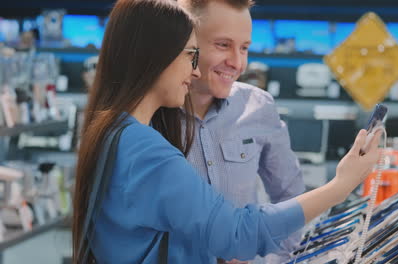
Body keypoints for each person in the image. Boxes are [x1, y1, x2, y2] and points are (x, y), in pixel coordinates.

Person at [72, 0, 382, 263]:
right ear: (156, 56)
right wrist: (341, 186)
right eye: (193, 53)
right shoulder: (146, 148)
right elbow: (237, 233)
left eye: (245, 48)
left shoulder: (112, 131)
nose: (195, 70)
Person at [176, 0, 303, 262]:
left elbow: (291, 199)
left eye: (244, 48)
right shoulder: (150, 114)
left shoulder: (259, 106)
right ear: (187, 44)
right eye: (223, 45)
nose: (237, 63)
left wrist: (274, 259)